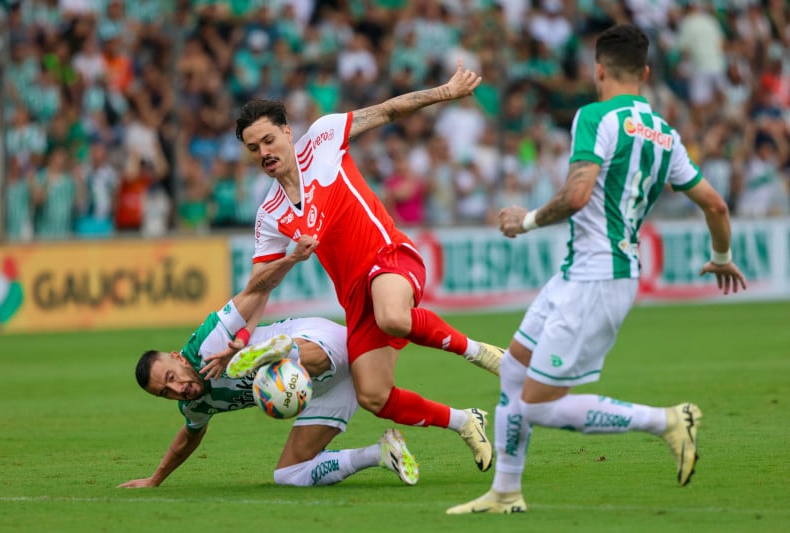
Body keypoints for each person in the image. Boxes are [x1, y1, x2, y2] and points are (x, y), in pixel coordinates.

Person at [447, 24, 747, 514]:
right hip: (580, 273)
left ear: (599, 69)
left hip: (597, 279)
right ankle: (505, 492)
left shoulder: (594, 116)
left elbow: (579, 193)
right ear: (646, 73)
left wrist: (524, 220)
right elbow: (716, 205)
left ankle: (668, 420)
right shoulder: (666, 136)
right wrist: (720, 258)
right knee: (514, 374)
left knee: (538, 403)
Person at [205, 60, 502, 473]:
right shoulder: (270, 214)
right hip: (354, 296)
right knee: (374, 396)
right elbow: (260, 286)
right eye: (254, 149)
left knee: (394, 316)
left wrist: (444, 92)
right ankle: (466, 420)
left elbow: (385, 111)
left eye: (269, 140)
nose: (264, 153)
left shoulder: (323, 139)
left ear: (288, 132)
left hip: (389, 255)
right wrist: (241, 333)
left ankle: (484, 354)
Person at [119, 247, 419, 489]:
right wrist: (155, 479)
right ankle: (381, 453)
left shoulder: (207, 344)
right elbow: (189, 436)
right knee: (289, 474)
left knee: (292, 363)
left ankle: (282, 350)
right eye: (165, 393)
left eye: (171, 377)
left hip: (320, 342)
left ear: (179, 358)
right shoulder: (195, 404)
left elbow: (255, 290)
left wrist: (291, 258)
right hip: (331, 386)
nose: (177, 390)